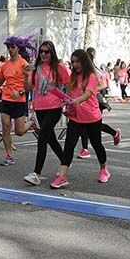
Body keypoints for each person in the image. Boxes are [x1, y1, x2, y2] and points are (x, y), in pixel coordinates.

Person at [50, 49, 110, 189]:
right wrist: (67, 101)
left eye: (77, 61)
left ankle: (103, 169)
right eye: (73, 62)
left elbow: (88, 93)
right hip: (76, 118)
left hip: (92, 117)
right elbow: (69, 95)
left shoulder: (92, 76)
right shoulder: (72, 77)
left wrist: (77, 101)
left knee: (97, 145)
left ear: (84, 61)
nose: (75, 65)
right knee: (69, 146)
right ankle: (62, 176)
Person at [24, 40, 69, 186]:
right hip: (40, 108)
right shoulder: (35, 68)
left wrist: (68, 102)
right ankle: (65, 161)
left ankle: (36, 173)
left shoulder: (59, 68)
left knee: (42, 138)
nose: (43, 54)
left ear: (52, 53)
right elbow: (29, 87)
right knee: (52, 140)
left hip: (54, 108)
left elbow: (68, 85)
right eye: (41, 51)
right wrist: (26, 75)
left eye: (46, 51)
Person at [0, 36, 30, 166]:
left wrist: (21, 92)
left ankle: (32, 123)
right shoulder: (5, 65)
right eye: (8, 47)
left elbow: (31, 84)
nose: (10, 50)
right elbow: (0, 81)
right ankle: (9, 155)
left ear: (18, 48)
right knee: (5, 127)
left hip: (19, 100)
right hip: (5, 99)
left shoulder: (25, 64)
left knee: (19, 131)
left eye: (13, 47)